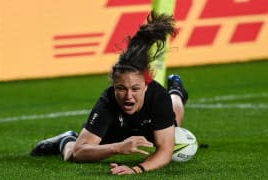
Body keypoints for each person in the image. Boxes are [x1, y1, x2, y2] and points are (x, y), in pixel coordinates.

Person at [30, 11, 188, 175]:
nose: (128, 96)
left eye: (135, 89)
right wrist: (117, 148)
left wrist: (137, 169)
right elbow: (79, 152)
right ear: (114, 85)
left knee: (174, 125)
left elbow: (165, 151)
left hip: (150, 121)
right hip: (117, 132)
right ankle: (66, 138)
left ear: (146, 86)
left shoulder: (157, 96)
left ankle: (176, 90)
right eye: (121, 88)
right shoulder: (108, 101)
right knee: (71, 155)